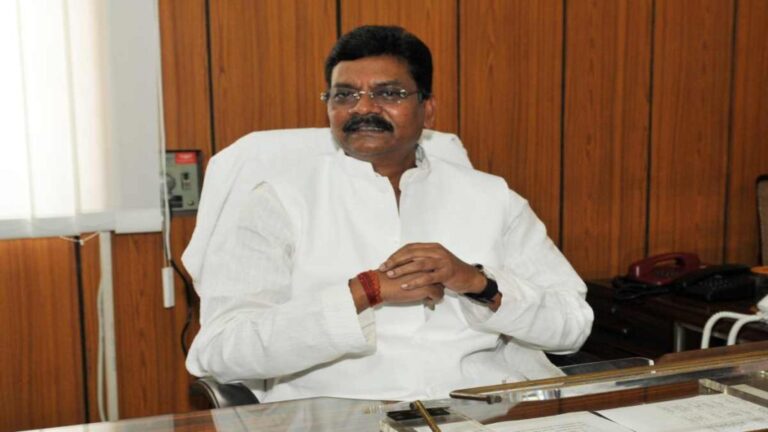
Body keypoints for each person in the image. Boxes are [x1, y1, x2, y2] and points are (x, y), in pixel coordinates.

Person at [185, 25, 593, 403]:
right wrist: (363, 292)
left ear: (427, 110)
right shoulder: (279, 201)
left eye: (389, 93)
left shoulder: (492, 197)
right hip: (339, 417)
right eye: (344, 95)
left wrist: (477, 283)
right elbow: (222, 351)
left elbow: (572, 326)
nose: (363, 107)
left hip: (479, 412)